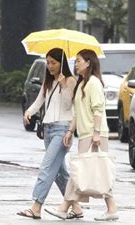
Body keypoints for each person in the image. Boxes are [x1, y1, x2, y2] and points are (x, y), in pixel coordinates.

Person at [45, 49, 118, 221]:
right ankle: (111, 209)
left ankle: (64, 207)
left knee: (81, 171)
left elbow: (98, 109)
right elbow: (77, 113)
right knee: (91, 171)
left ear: (88, 62)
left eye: (78, 61)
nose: (75, 64)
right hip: (85, 133)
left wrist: (97, 133)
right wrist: (70, 131)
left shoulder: (93, 82)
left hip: (94, 134)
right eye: (75, 61)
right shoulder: (82, 83)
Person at [17, 48, 79, 219]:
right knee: (59, 172)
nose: (50, 66)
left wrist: (63, 84)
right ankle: (77, 206)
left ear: (62, 63)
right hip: (48, 130)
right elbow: (40, 100)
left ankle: (36, 206)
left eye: (54, 62)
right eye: (48, 62)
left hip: (62, 129)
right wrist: (28, 112)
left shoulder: (71, 80)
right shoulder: (48, 81)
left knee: (47, 167)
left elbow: (70, 105)